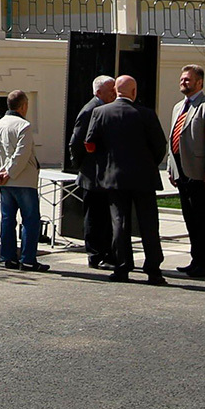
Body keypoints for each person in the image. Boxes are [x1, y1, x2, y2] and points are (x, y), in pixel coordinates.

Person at [83, 75, 168, 284]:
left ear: (115, 91)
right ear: (134, 91)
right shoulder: (146, 114)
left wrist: (105, 162)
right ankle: (153, 269)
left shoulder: (100, 112)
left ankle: (122, 267)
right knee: (149, 223)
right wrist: (149, 164)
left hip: (114, 178)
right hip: (143, 177)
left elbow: (90, 143)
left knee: (119, 222)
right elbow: (160, 146)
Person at [168, 64, 205, 279]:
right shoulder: (178, 107)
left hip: (200, 173)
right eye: (182, 79)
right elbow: (174, 138)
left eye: (188, 79)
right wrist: (172, 168)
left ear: (199, 82)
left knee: (203, 220)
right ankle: (195, 260)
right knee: (190, 219)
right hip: (182, 173)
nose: (183, 82)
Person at [0, 89, 46, 272]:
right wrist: (9, 173)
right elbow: (22, 154)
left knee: (7, 219)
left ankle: (8, 257)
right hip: (23, 180)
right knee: (30, 219)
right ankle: (28, 259)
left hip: (4, 183)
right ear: (24, 106)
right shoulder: (24, 126)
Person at [68, 75, 116, 268]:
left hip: (102, 174)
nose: (115, 93)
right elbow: (76, 141)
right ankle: (95, 255)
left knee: (103, 216)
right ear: (98, 92)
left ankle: (105, 252)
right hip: (92, 174)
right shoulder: (91, 110)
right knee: (94, 217)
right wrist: (81, 165)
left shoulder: (104, 108)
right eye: (111, 90)